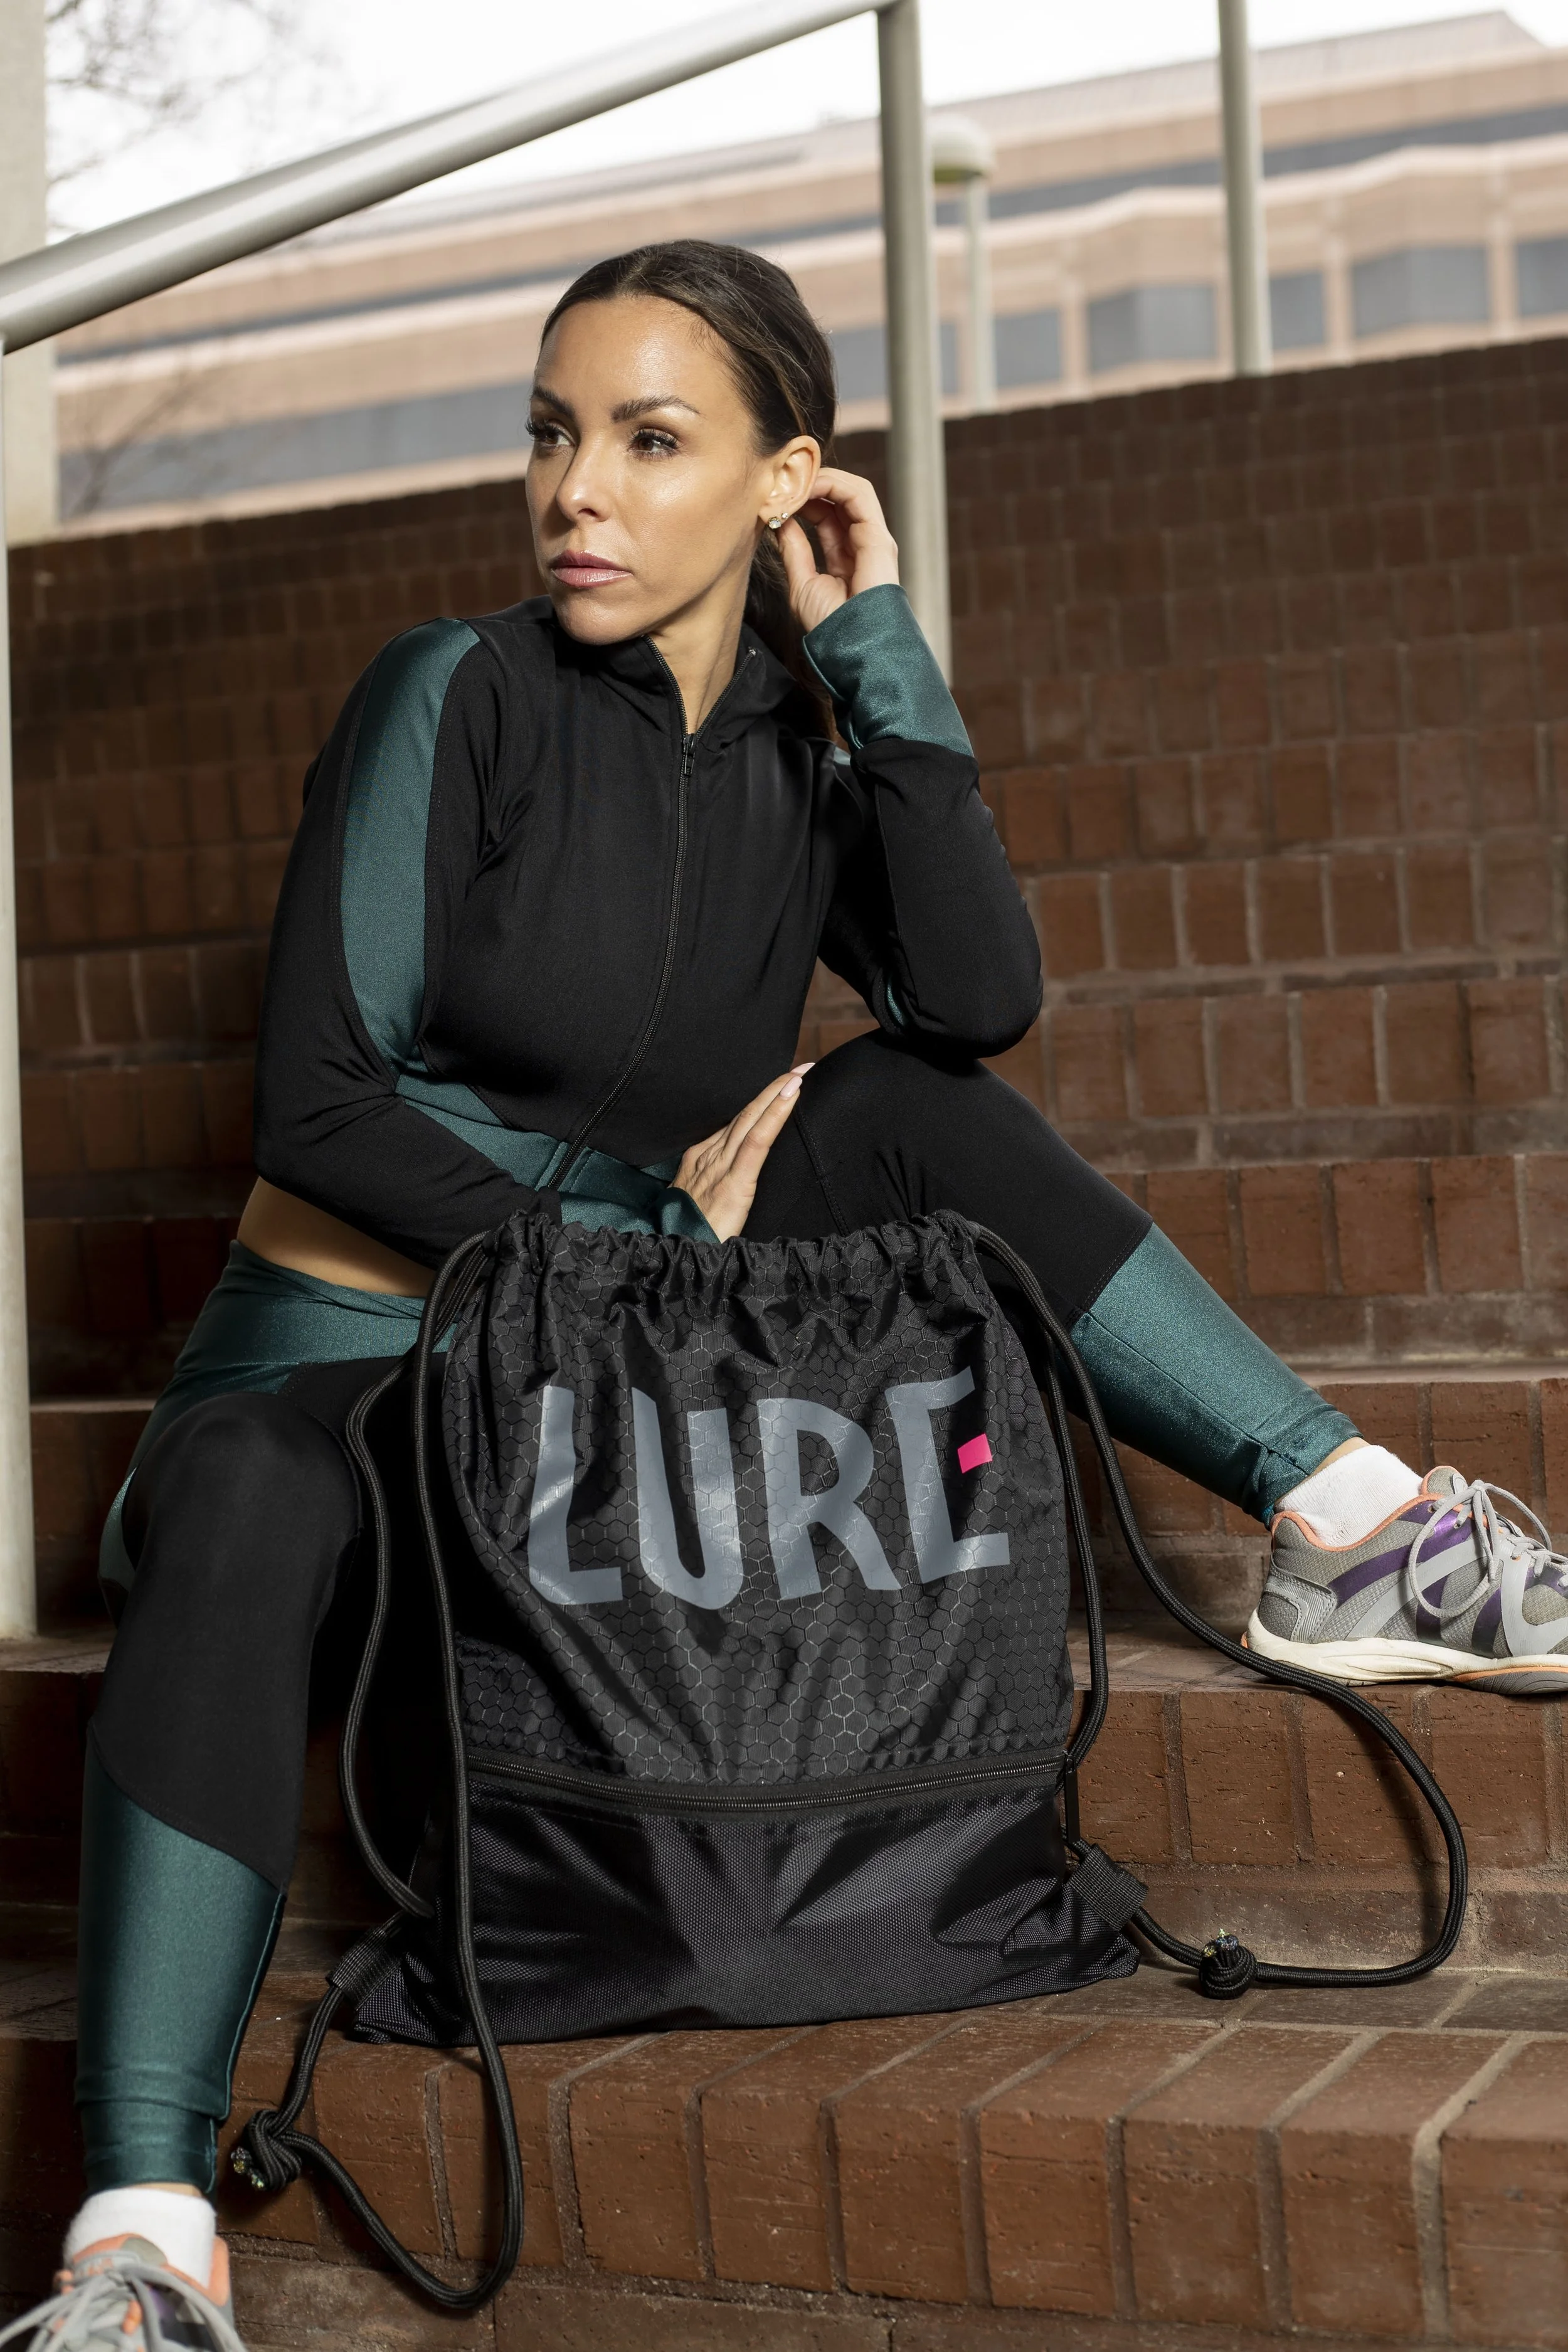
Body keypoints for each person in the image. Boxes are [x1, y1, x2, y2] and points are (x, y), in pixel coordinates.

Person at [14, 238, 1567, 2352]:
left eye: (654, 440)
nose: (580, 488)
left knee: (905, 1097)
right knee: (248, 1504)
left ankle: (1349, 1523)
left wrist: (887, 661)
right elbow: (318, 1095)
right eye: (554, 432)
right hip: (364, 1379)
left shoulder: (789, 759)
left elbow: (981, 998)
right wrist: (644, 1251)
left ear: (780, 481)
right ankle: (140, 2235)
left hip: (593, 1408)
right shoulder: (445, 693)